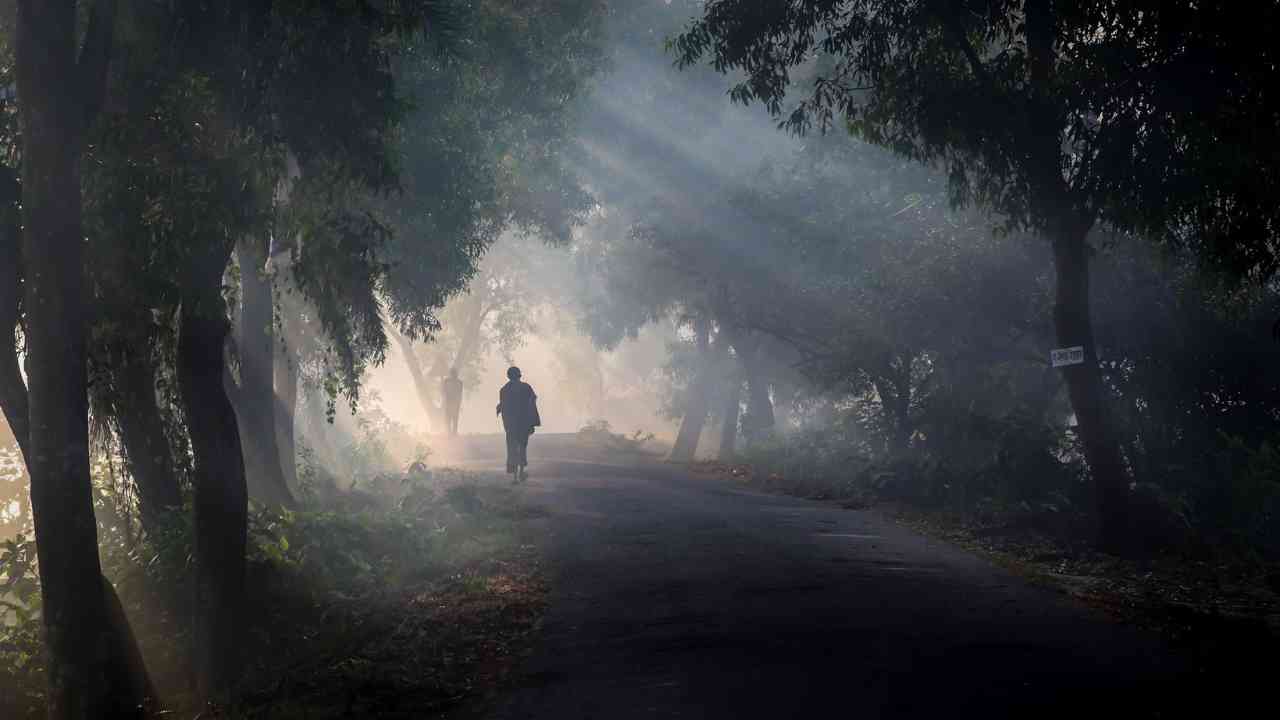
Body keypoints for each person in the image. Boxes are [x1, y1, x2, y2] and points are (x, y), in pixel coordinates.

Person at [496, 366, 540, 482]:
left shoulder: (504, 390)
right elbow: (532, 401)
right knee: (522, 447)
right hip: (524, 423)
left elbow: (503, 407)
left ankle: (515, 476)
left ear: (508, 376)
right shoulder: (526, 387)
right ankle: (521, 472)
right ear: (519, 375)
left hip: (511, 424)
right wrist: (532, 421)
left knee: (512, 448)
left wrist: (506, 423)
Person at [442, 368, 464, 436]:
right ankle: (451, 432)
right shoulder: (458, 382)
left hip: (452, 402)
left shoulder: (448, 381)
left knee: (452, 418)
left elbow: (444, 392)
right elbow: (444, 391)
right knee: (452, 418)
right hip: (452, 402)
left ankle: (452, 432)